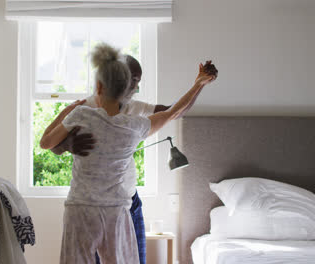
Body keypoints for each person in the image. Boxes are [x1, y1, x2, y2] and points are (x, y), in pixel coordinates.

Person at [40, 43, 216, 263]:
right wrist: (198, 83)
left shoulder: (81, 114)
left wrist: (67, 110)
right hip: (114, 210)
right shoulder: (134, 126)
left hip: (89, 207)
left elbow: (45, 142)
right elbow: (172, 113)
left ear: (99, 86)